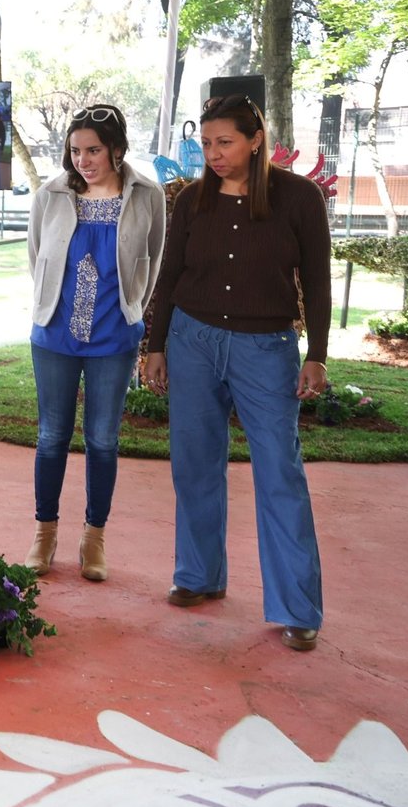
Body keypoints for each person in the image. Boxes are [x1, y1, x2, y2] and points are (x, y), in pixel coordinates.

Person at [142, 93, 332, 652]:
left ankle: (298, 608)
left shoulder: (299, 197)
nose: (214, 153)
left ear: (255, 140)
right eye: (206, 143)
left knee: (279, 472)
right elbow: (170, 274)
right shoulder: (192, 200)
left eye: (225, 142)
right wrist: (156, 345)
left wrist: (317, 353)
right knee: (194, 463)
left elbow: (317, 280)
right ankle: (198, 575)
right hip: (192, 342)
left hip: (266, 348)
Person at [24, 104, 166, 581]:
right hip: (54, 335)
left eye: (93, 150)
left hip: (114, 337)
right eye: (75, 150)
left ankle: (94, 537)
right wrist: (49, 306)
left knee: (103, 440)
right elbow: (37, 257)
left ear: (117, 150)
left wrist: (132, 309)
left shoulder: (147, 195)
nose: (82, 160)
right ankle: (44, 533)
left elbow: (153, 260)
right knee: (51, 437)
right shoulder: (51, 194)